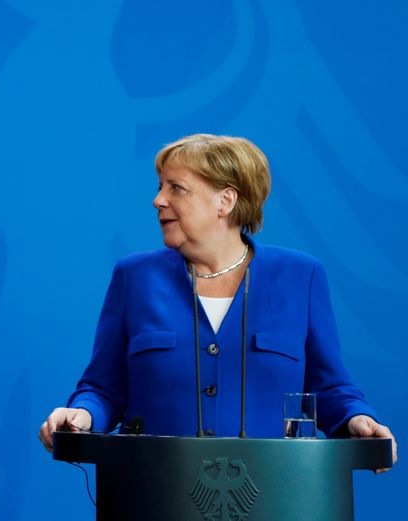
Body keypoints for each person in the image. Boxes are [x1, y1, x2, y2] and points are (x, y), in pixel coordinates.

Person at [39, 134, 397, 470]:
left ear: (225, 201)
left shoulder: (301, 277)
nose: (158, 200)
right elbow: (103, 388)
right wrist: (80, 415)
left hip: (274, 494)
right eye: (160, 186)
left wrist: (358, 419)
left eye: (176, 188)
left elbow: (330, 389)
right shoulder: (134, 277)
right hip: (152, 491)